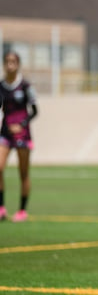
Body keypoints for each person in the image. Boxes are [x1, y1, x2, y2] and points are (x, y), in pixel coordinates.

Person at [0, 51, 38, 222]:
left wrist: (21, 125)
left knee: (23, 173)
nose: (10, 65)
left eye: (13, 62)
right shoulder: (0, 86)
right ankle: (1, 208)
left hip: (23, 133)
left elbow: (35, 111)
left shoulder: (25, 86)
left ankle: (22, 210)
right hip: (5, 133)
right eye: (7, 62)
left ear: (18, 64)